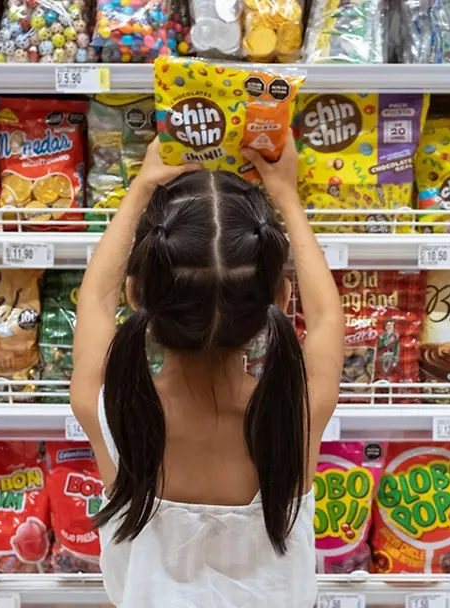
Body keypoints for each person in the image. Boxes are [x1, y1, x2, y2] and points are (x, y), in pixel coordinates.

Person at [71, 133, 344, 607]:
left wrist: (139, 189)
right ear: (279, 301)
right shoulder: (296, 417)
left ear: (136, 297)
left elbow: (93, 300)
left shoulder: (109, 413)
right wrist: (287, 196)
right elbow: (326, 319)